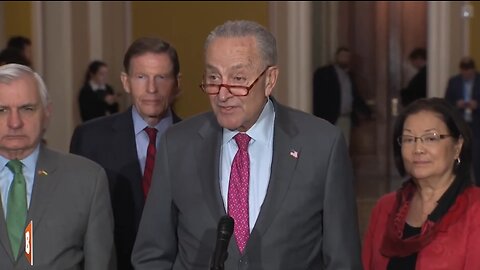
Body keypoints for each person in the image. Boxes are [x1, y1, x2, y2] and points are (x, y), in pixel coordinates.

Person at [132, 20, 362, 269]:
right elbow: (151, 254)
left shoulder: (322, 145)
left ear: (270, 79)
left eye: (238, 78)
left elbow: (342, 260)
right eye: (213, 77)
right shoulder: (177, 144)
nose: (222, 94)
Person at [70, 37, 182, 270]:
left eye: (161, 77)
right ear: (126, 82)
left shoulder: (200, 142)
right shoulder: (90, 139)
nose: (151, 89)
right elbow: (76, 226)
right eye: (141, 77)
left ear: (177, 84)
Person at [0, 63, 115, 269]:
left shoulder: (88, 180)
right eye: (2, 110)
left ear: (47, 113)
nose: (14, 122)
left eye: (27, 109)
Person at [362, 98, 480, 269]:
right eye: (409, 139)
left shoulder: (476, 210)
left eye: (430, 138)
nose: (418, 149)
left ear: (457, 146)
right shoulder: (385, 208)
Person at [313, 46, 371, 146]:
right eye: (342, 56)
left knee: (343, 146)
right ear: (336, 57)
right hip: (330, 117)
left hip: (345, 118)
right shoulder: (325, 73)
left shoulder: (349, 76)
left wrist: (367, 112)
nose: (344, 59)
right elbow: (319, 96)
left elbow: (355, 96)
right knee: (328, 145)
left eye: (347, 56)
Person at [444, 57, 480, 186]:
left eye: (469, 71)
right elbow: (446, 103)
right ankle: (460, 186)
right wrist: (456, 104)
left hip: (476, 126)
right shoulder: (454, 82)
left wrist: (477, 105)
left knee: (477, 159)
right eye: (464, 71)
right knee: (459, 157)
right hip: (460, 125)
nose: (466, 74)